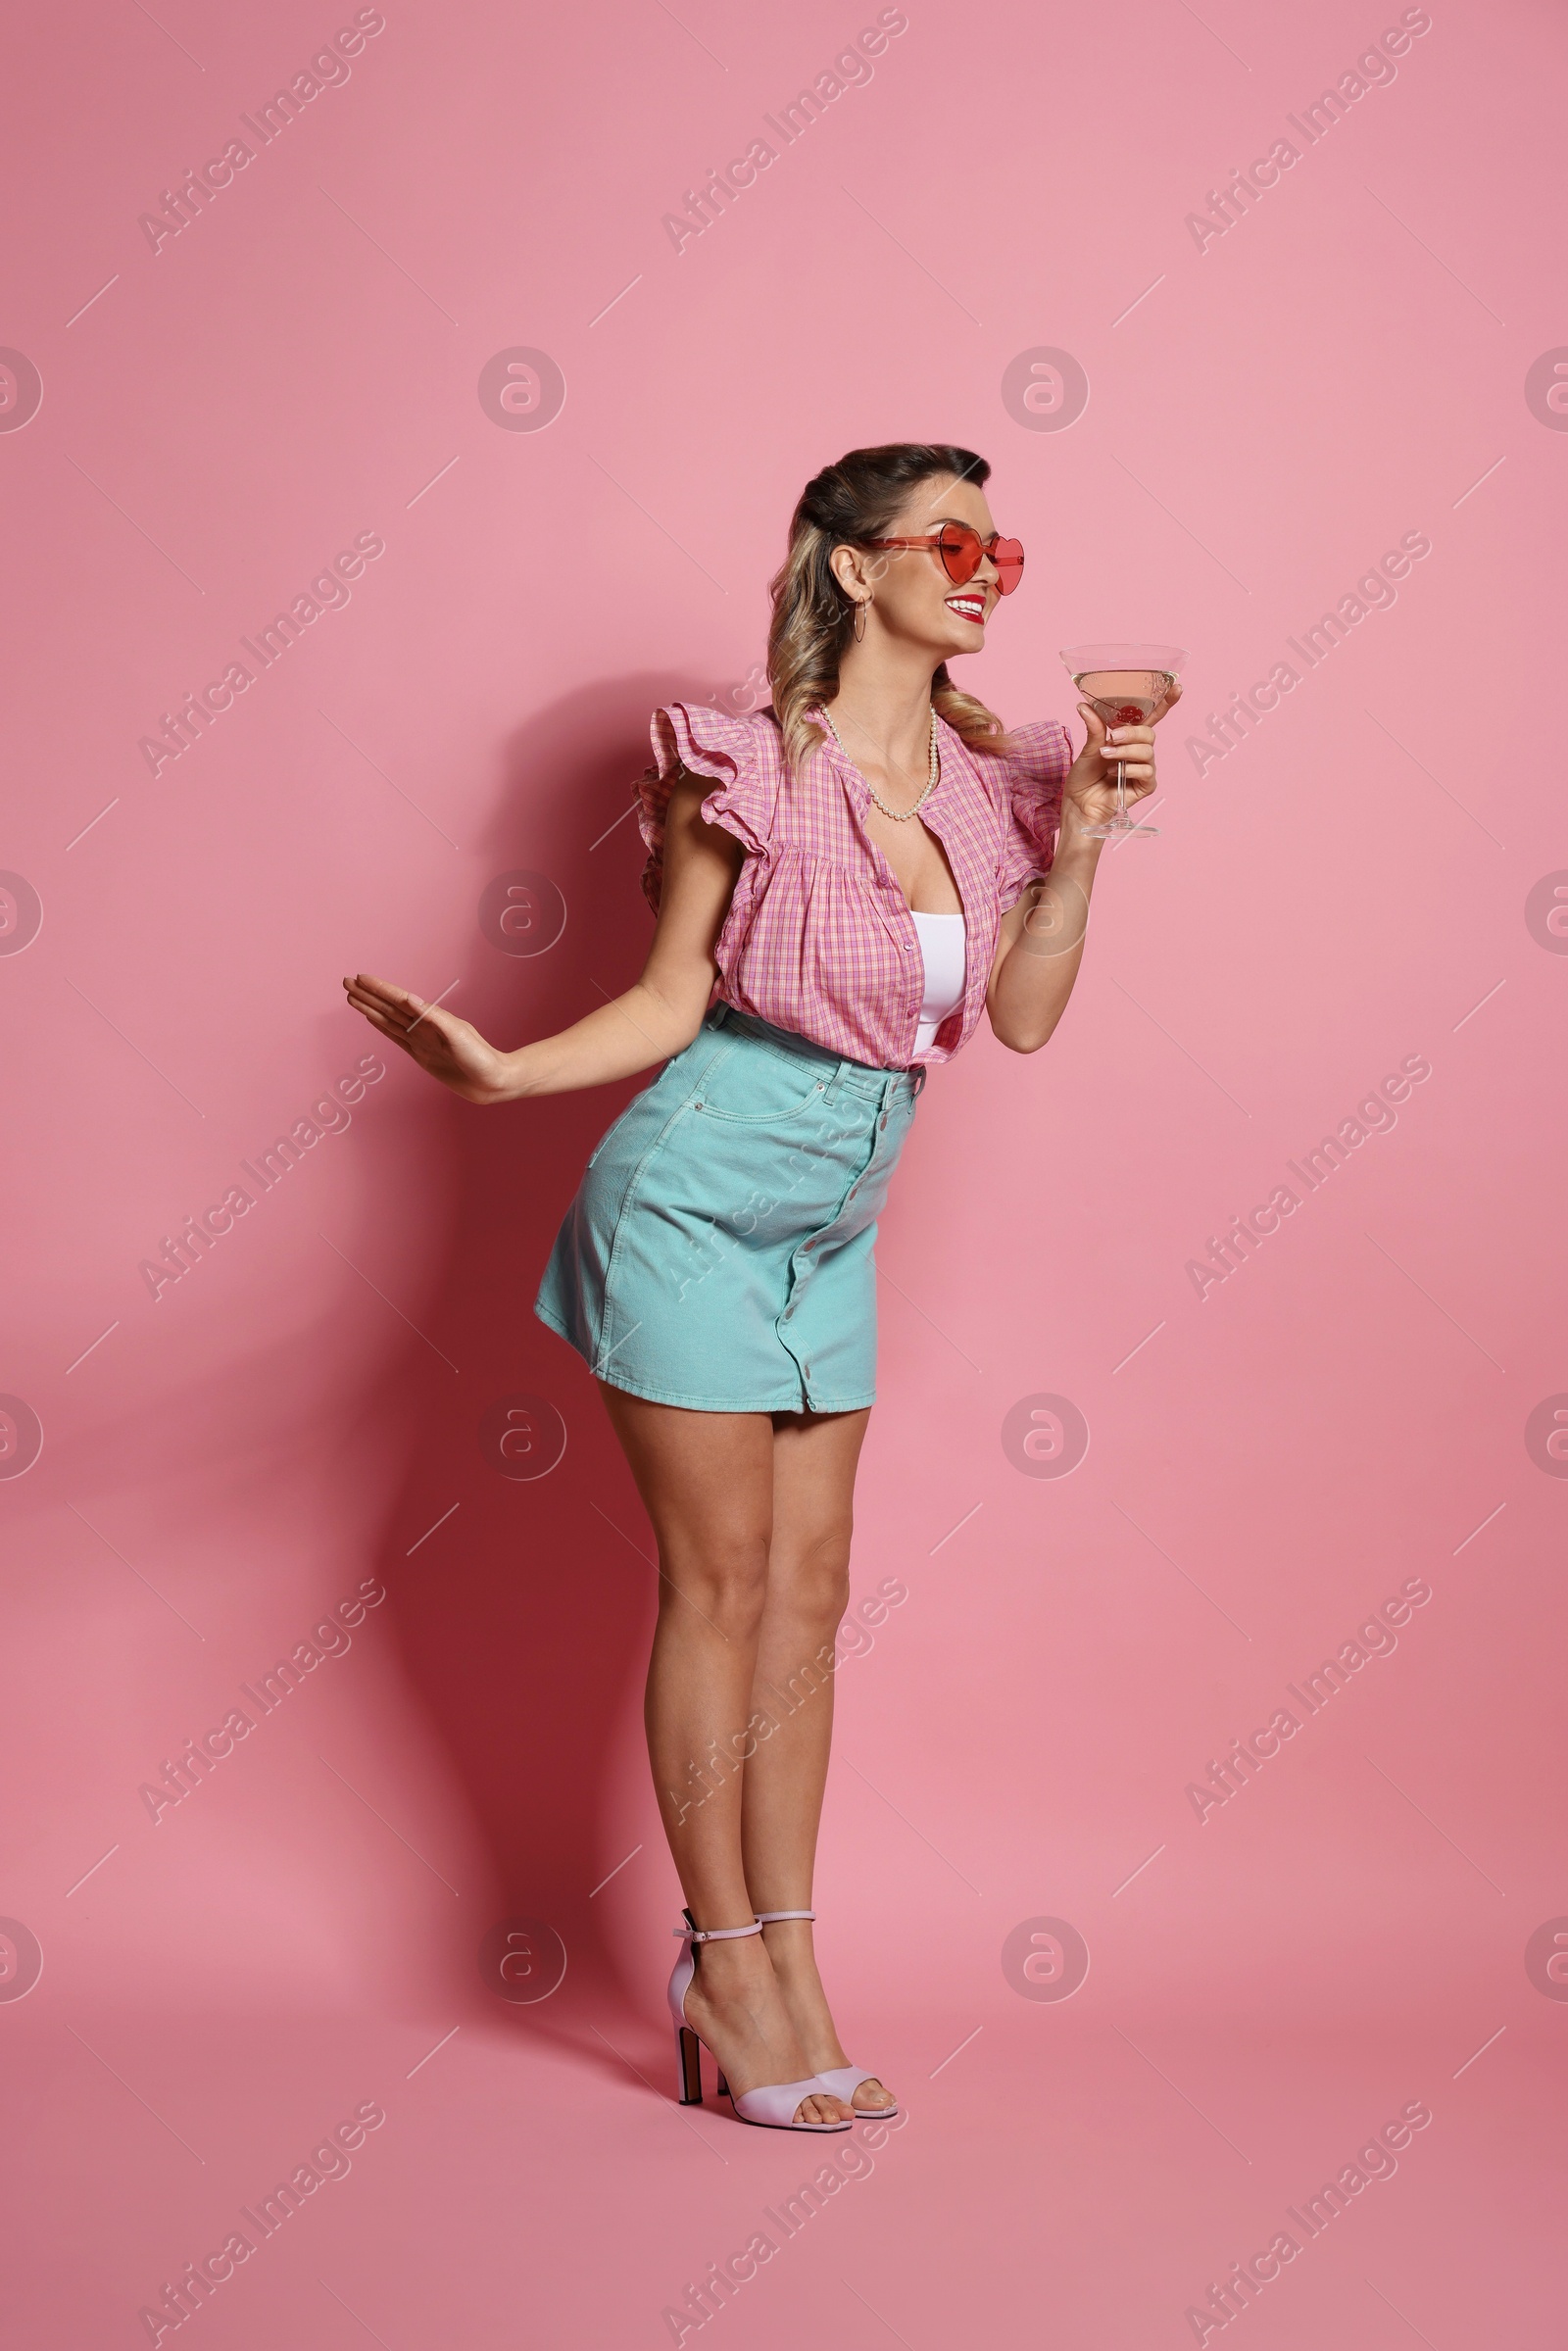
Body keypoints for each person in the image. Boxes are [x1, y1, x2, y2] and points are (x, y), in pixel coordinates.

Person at [344, 441, 1174, 2131]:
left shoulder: (990, 782)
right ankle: (723, 1959)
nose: (986, 568)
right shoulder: (740, 767)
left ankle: (789, 1963)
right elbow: (666, 1001)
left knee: (811, 1603)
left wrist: (1081, 845)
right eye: (950, 539)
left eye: (999, 546)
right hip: (696, 1202)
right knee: (720, 1589)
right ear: (854, 568)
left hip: (833, 1230)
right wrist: (502, 1077)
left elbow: (1015, 1020)